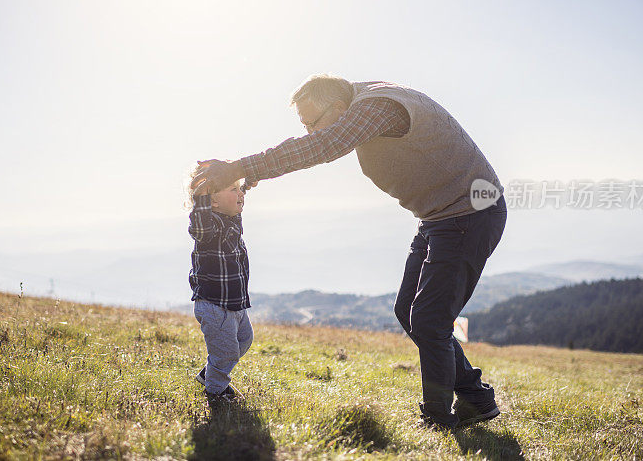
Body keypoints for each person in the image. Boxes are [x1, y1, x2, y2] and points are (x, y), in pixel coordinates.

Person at [194, 75, 507, 431]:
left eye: (313, 122)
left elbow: (322, 147)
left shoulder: (377, 106)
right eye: (305, 125)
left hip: (470, 215)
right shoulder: (362, 100)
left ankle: (438, 417)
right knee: (409, 311)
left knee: (430, 319)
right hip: (440, 218)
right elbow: (317, 141)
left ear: (339, 108)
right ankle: (476, 397)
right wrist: (256, 173)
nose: (311, 131)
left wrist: (240, 167)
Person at [187, 166, 253, 405]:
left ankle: (209, 374)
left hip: (235, 304)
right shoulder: (208, 228)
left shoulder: (232, 219)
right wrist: (201, 196)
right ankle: (216, 393)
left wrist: (245, 181)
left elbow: (236, 202)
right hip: (215, 306)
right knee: (226, 353)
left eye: (240, 188)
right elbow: (200, 223)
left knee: (244, 340)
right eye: (233, 189)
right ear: (212, 201)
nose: (241, 194)